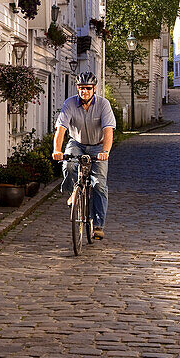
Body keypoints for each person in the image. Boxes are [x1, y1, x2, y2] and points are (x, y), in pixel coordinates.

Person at [52, 71, 115, 239]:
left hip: (97, 145)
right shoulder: (70, 103)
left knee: (98, 185)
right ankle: (74, 191)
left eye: (87, 88)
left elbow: (108, 131)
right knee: (69, 165)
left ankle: (98, 225)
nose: (84, 91)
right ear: (77, 88)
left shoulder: (103, 104)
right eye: (81, 88)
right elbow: (61, 129)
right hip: (77, 143)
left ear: (94, 89)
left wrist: (105, 152)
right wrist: (57, 150)